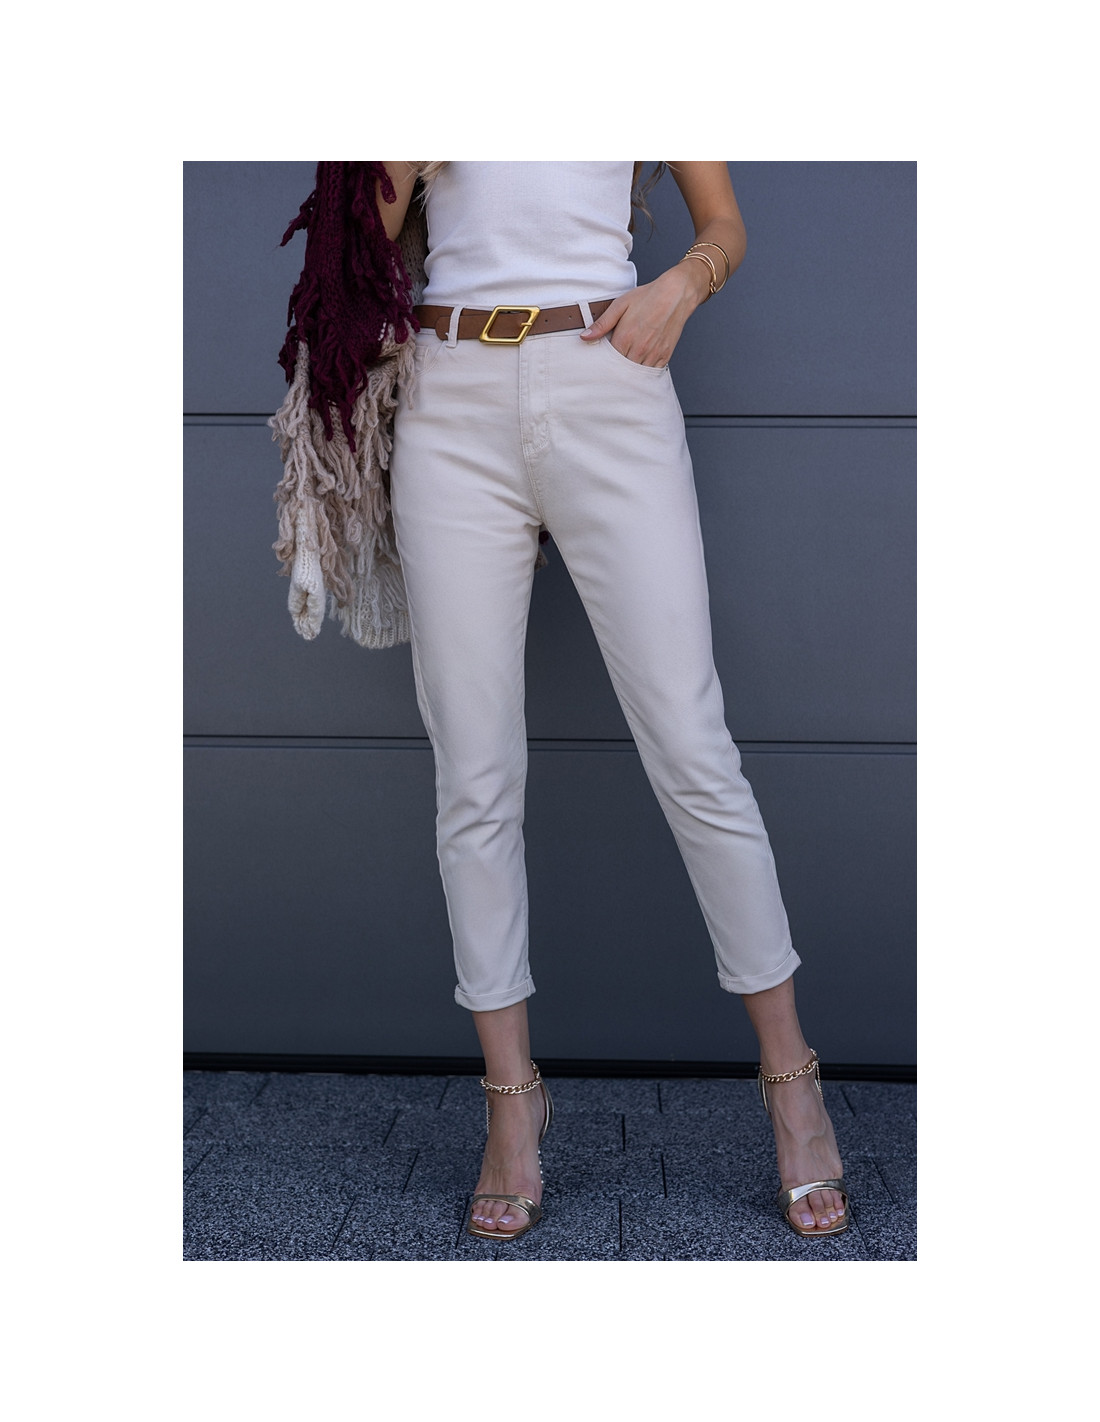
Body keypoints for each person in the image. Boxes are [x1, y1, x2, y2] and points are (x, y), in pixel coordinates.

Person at [272, 161, 847, 1243]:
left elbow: (722, 220)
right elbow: (359, 251)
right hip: (449, 399)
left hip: (607, 377)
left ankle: (791, 1080)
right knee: (474, 775)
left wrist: (679, 287)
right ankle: (511, 1105)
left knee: (692, 748)